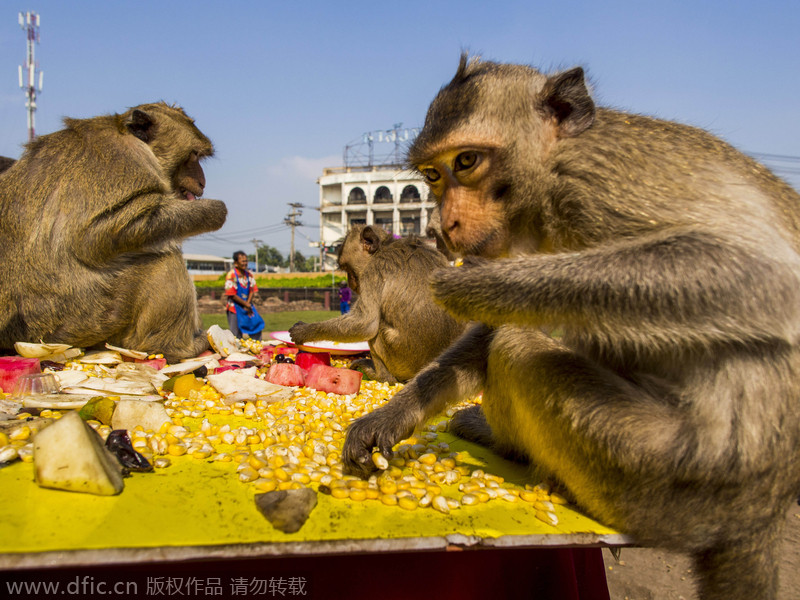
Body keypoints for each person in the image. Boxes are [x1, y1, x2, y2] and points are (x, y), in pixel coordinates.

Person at [224, 251, 264, 340]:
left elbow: (252, 290)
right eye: (242, 261)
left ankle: (256, 348)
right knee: (235, 334)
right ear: (236, 263)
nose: (245, 263)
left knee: (256, 327)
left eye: (246, 261)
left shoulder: (249, 275)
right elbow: (232, 294)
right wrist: (245, 304)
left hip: (248, 306)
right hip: (234, 307)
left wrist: (248, 303)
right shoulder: (231, 275)